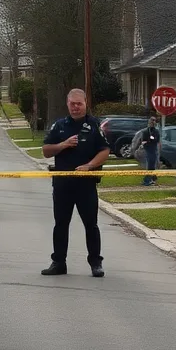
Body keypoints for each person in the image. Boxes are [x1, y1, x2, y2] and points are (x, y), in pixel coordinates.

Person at [41, 89, 111, 277]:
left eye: (79, 104)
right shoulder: (59, 126)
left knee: (91, 224)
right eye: (72, 104)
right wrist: (63, 145)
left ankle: (96, 263)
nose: (75, 107)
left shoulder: (94, 125)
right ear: (67, 104)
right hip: (63, 184)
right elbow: (46, 151)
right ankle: (58, 263)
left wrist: (90, 165)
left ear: (86, 103)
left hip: (85, 185)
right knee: (61, 224)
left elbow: (105, 151)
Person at [134, 116, 161, 186]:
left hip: (153, 149)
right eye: (152, 121)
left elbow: (156, 140)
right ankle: (148, 180)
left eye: (154, 121)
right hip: (148, 149)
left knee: (152, 165)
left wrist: (151, 139)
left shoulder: (156, 131)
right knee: (150, 165)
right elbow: (143, 140)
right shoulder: (145, 131)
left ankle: (151, 178)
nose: (153, 122)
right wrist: (150, 140)